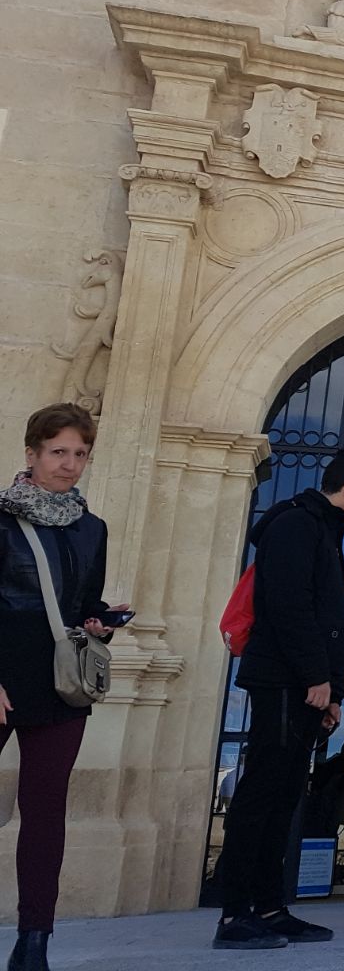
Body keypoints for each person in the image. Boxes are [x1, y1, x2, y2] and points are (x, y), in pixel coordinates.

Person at [211, 446, 344, 951]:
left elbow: (329, 620)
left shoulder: (324, 531)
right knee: (261, 794)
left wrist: (334, 691)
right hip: (283, 681)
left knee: (285, 796)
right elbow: (290, 606)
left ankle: (269, 907)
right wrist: (316, 676)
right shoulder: (296, 525)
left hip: (307, 687)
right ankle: (234, 914)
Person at [0, 403, 127, 971]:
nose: (70, 464)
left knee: (45, 812)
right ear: (32, 454)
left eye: (80, 454)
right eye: (59, 452)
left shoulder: (91, 527)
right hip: (3, 682)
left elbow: (81, 607)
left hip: (59, 689)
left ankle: (34, 942)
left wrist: (101, 622)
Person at [303, 738, 344, 840]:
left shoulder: (337, 765)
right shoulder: (337, 766)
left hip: (329, 815)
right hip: (327, 815)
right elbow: (330, 791)